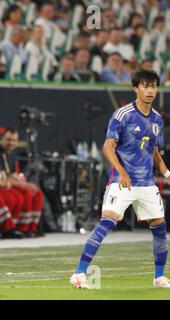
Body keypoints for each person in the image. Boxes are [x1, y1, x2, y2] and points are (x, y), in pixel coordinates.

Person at [70, 69, 170, 289]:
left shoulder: (157, 119)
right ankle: (79, 273)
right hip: (121, 182)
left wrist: (166, 172)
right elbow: (108, 147)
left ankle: (159, 276)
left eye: (153, 86)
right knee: (107, 221)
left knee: (160, 227)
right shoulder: (123, 114)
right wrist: (121, 171)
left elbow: (154, 149)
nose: (150, 90)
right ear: (135, 88)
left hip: (146, 183)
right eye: (145, 85)